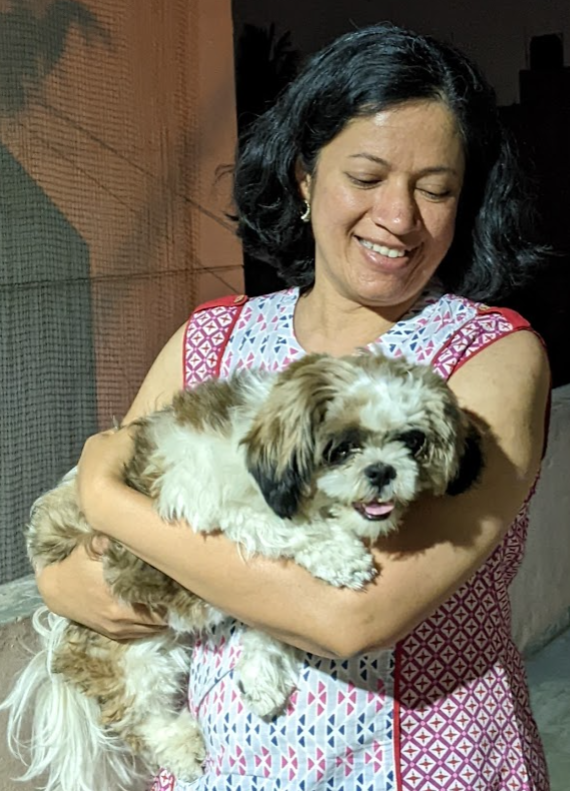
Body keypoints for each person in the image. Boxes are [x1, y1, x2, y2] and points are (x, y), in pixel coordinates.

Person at [37, 22, 551, 791]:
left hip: (426, 768)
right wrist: (72, 573)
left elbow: (348, 615)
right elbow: (73, 577)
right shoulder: (210, 340)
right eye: (367, 176)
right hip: (221, 773)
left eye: (435, 188)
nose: (399, 216)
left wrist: (107, 495)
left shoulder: (491, 356)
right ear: (305, 179)